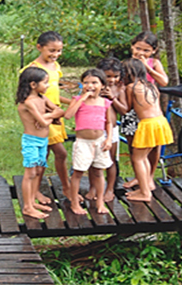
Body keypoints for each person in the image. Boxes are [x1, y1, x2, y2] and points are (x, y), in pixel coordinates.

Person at [23, 31, 80, 204]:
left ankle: (44, 189)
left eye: (59, 51)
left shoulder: (55, 67)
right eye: (51, 51)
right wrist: (48, 113)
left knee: (45, 155)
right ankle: (62, 188)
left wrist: (70, 102)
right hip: (43, 118)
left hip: (55, 115)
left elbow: (54, 92)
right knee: (58, 153)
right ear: (39, 47)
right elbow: (29, 97)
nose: (55, 55)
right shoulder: (31, 71)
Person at [122, 31, 169, 189]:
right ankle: (139, 177)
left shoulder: (154, 63)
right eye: (137, 48)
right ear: (132, 47)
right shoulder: (127, 63)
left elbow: (163, 82)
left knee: (153, 147)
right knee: (134, 146)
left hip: (147, 110)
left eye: (146, 50)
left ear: (153, 51)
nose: (140, 53)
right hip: (132, 109)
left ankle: (149, 178)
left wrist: (148, 69)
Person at [16, 67, 65, 219]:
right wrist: (51, 115)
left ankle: (31, 202)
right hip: (31, 141)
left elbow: (60, 111)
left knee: (38, 171)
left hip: (43, 141)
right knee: (30, 173)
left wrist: (49, 115)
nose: (48, 86)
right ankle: (27, 207)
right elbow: (44, 122)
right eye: (45, 83)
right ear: (32, 84)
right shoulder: (28, 102)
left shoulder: (42, 98)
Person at [64, 69, 115, 215]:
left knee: (99, 172)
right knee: (78, 173)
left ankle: (100, 202)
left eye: (94, 82)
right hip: (83, 143)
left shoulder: (105, 102)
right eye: (86, 83)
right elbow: (68, 115)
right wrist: (82, 98)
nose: (90, 86)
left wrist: (109, 139)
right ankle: (74, 203)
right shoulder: (77, 100)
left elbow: (109, 123)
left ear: (102, 85)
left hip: (100, 142)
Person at [123, 59, 173, 202]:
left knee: (137, 158)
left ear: (128, 73)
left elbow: (127, 108)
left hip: (147, 124)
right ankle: (145, 188)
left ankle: (145, 194)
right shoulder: (150, 85)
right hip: (160, 122)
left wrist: (113, 98)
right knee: (143, 156)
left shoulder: (131, 87)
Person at [86, 57, 126, 202]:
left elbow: (124, 110)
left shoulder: (120, 89)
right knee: (92, 160)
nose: (112, 80)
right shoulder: (92, 87)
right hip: (94, 128)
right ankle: (93, 187)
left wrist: (112, 98)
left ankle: (110, 188)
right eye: (108, 76)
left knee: (111, 160)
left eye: (116, 76)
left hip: (111, 130)